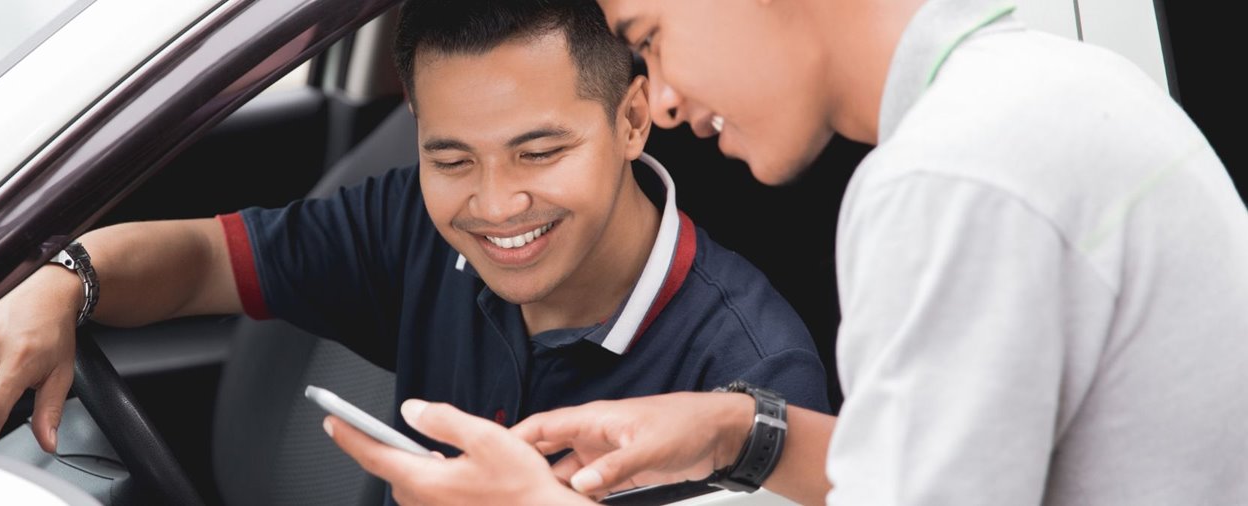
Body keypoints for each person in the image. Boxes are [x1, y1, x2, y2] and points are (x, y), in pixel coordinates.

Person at [329, 0, 1248, 504]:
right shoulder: (1039, 94)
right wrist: (739, 434)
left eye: (652, 37)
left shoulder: (954, 175)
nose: (670, 102)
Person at [0, 0, 829, 469]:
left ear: (633, 120)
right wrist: (63, 282)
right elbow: (202, 262)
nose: (497, 206)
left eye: (538, 151)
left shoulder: (753, 376)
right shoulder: (412, 226)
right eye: (454, 159)